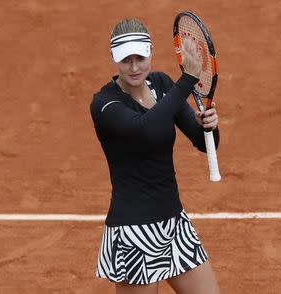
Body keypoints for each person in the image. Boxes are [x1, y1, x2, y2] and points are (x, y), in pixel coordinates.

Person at [90, 18, 221, 294]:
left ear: (150, 52)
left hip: (174, 224)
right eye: (126, 60)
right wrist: (187, 79)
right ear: (115, 59)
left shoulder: (161, 84)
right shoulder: (104, 104)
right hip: (134, 232)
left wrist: (209, 125)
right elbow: (145, 130)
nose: (134, 67)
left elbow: (203, 142)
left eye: (140, 57)